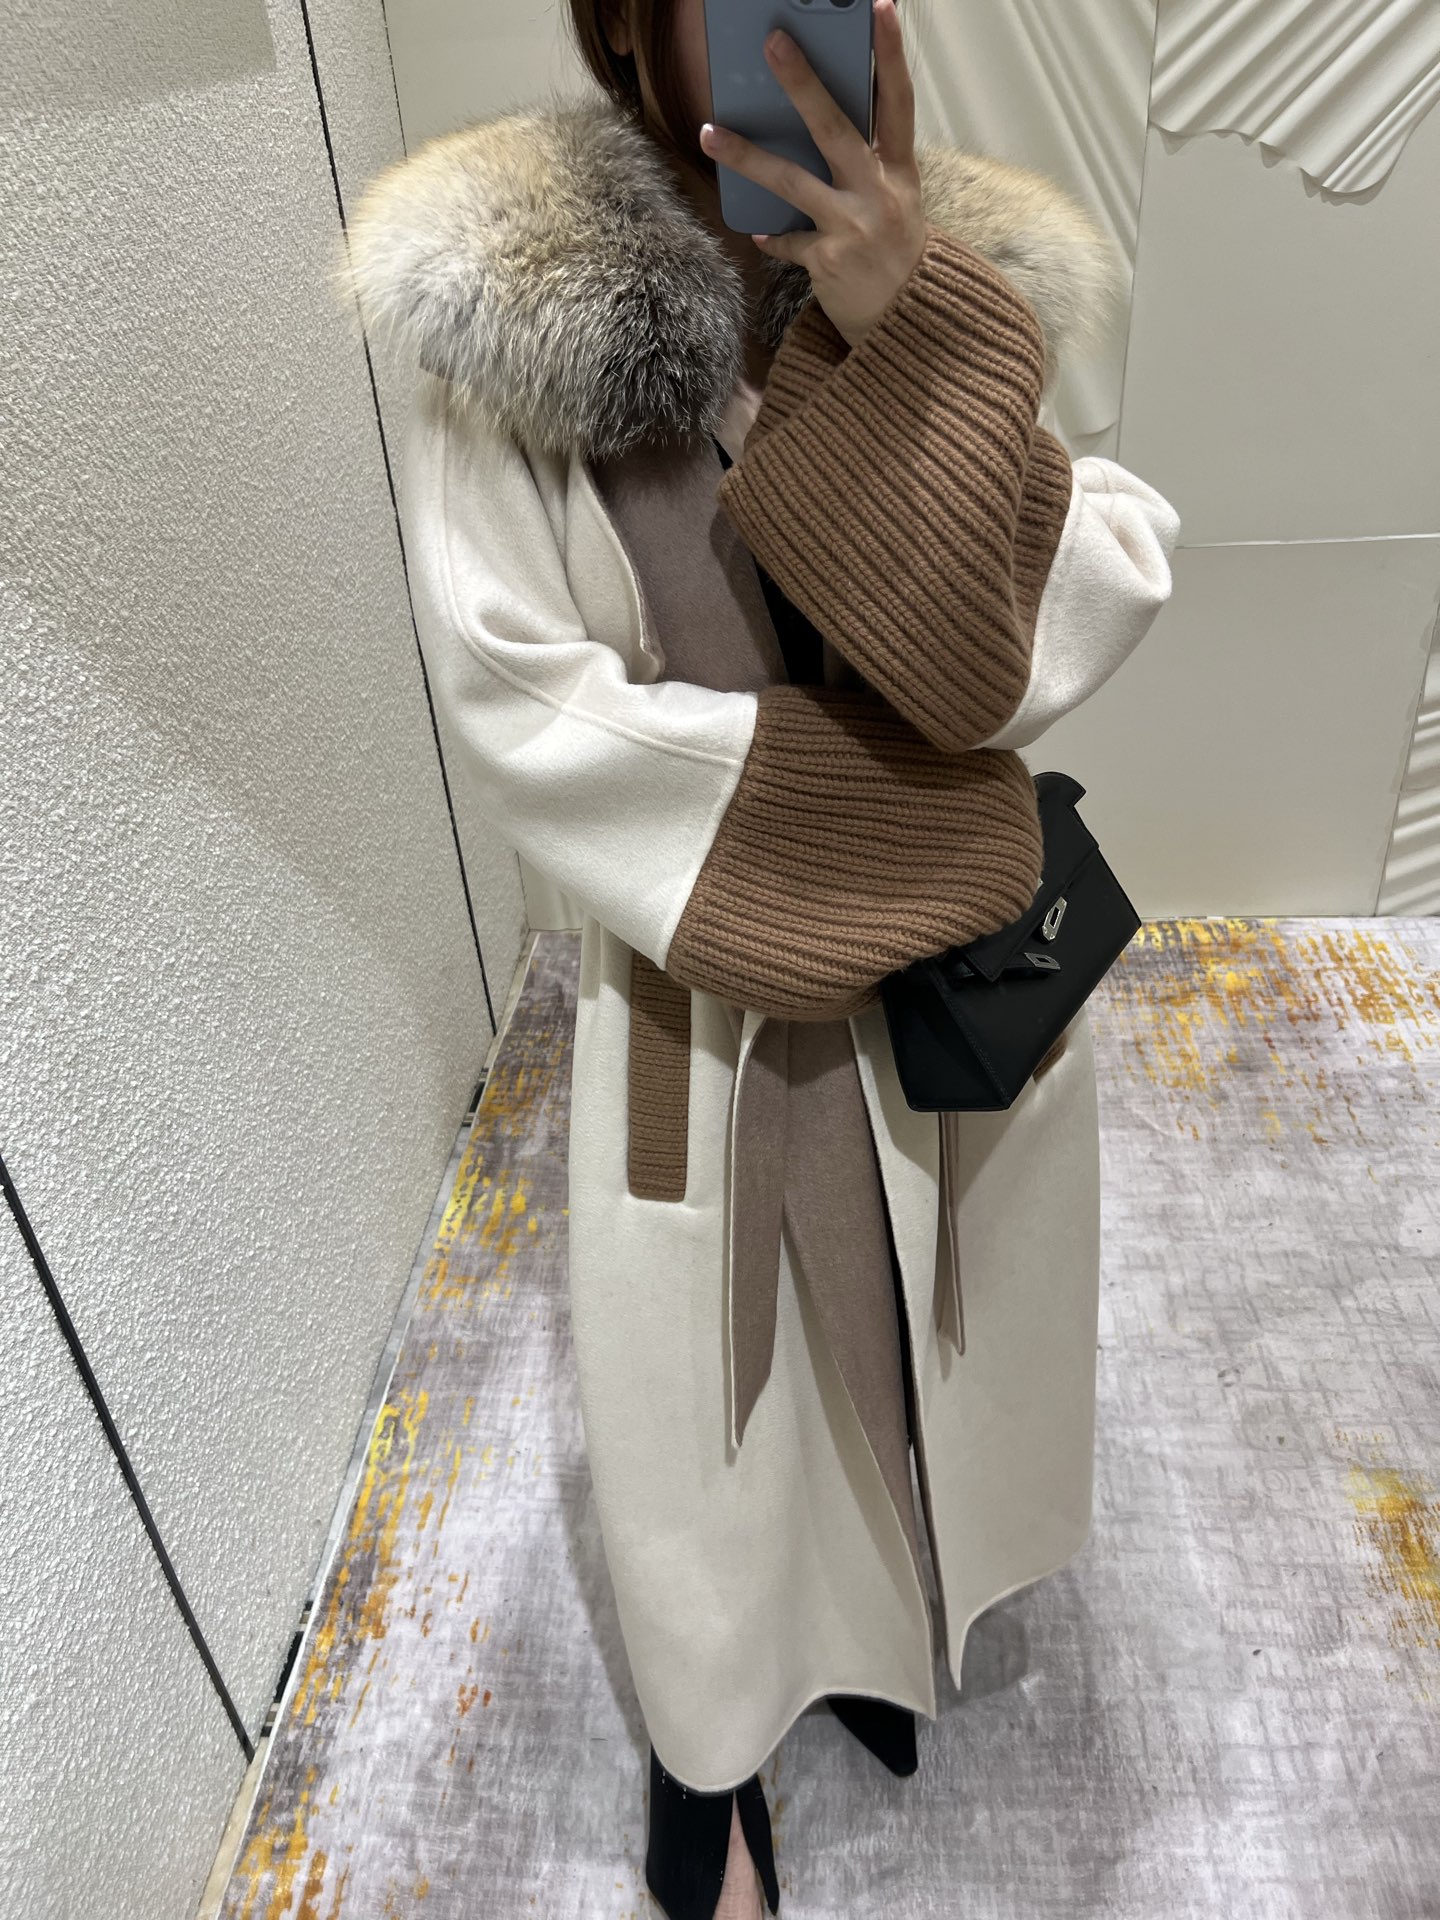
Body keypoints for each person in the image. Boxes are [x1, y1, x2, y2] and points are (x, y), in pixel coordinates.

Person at [344, 1, 1181, 1913]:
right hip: (708, 1007)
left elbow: (1092, 577)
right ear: (628, 21)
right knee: (711, 1445)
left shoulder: (953, 270)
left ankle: (878, 1638)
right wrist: (936, 837)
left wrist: (917, 327)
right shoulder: (516, 321)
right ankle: (707, 1762)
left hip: (941, 1025)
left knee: (920, 1346)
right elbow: (525, 708)